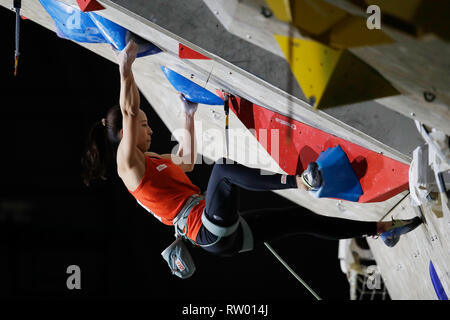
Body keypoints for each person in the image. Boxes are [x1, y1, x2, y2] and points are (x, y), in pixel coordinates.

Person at [81, 40, 422, 260]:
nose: (149, 127)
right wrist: (126, 64)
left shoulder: (151, 160)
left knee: (300, 219)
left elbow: (185, 163)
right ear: (126, 134)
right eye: (143, 124)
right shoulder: (129, 168)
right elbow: (128, 110)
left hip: (219, 236)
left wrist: (188, 117)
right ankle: (300, 182)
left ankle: (381, 230)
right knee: (224, 172)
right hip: (206, 228)